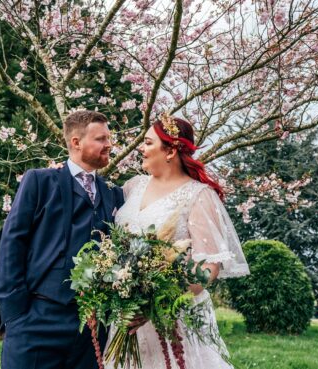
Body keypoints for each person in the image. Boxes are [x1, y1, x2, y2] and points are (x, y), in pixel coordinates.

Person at [105, 114, 249, 369]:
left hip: (171, 318)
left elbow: (208, 268)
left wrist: (154, 302)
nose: (141, 148)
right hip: (127, 317)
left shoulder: (198, 196)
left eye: (148, 143)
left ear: (170, 150)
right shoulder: (133, 186)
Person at [0, 110, 125, 369]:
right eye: (100, 139)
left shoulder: (115, 194)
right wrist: (16, 315)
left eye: (109, 138)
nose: (109, 145)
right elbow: (12, 244)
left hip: (90, 328)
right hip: (36, 319)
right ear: (76, 142)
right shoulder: (40, 181)